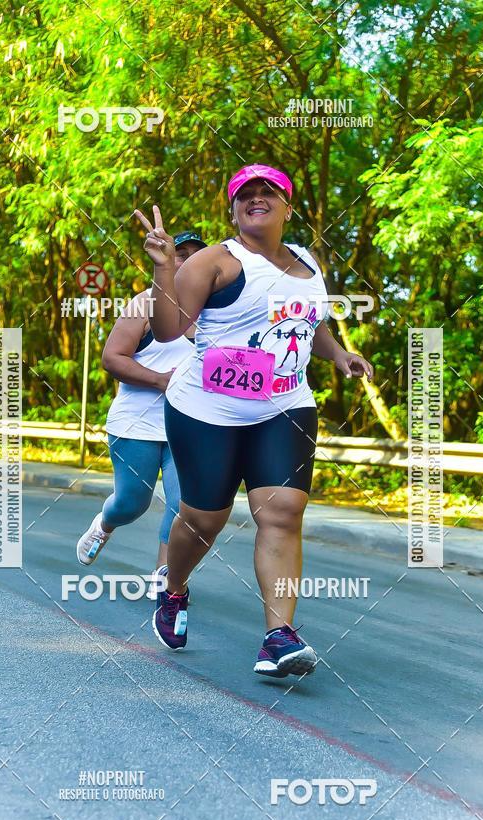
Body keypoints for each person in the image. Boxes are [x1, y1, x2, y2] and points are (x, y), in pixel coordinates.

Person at [134, 164, 373, 677]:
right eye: (246, 193)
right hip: (206, 409)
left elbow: (309, 325)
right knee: (203, 520)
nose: (257, 198)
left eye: (269, 192)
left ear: (288, 207)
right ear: (233, 207)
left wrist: (337, 356)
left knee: (283, 512)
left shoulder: (308, 263)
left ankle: (278, 637)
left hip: (283, 405)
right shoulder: (215, 262)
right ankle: (172, 588)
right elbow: (169, 329)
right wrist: (163, 267)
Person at [76, 232, 207, 589]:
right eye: (180, 254)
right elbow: (111, 357)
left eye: (196, 256)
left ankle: (165, 578)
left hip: (190, 427)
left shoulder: (216, 309)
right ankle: (105, 523)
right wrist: (160, 381)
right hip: (137, 425)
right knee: (132, 503)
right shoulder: (144, 303)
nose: (187, 261)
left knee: (184, 505)